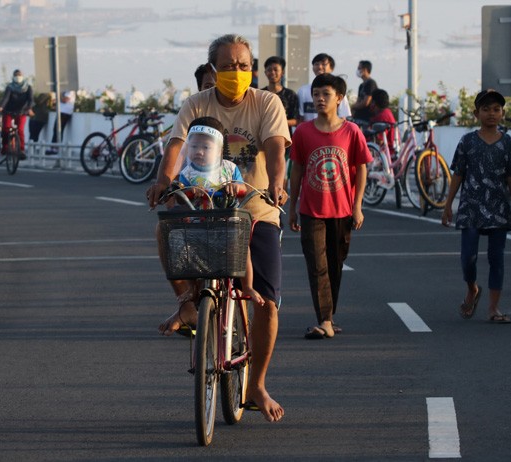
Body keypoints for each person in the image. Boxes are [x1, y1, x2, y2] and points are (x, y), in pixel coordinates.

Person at [146, 34, 289, 423]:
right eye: (227, 66)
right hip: (204, 208)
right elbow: (175, 147)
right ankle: (188, 304)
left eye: (243, 66)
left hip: (256, 209)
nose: (236, 72)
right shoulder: (196, 104)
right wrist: (163, 181)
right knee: (166, 232)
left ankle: (256, 384)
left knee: (268, 304)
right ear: (213, 70)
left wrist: (277, 183)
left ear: (253, 69)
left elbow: (276, 148)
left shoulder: (267, 103)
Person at [287, 73, 370, 339]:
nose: (320, 99)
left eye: (326, 94)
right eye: (316, 94)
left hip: (343, 210)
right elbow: (297, 170)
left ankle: (329, 316)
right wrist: (293, 207)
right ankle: (324, 320)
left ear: (339, 98)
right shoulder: (302, 132)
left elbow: (361, 169)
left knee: (335, 264)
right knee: (317, 266)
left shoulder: (351, 131)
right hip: (311, 211)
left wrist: (358, 206)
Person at [162, 117, 264, 306]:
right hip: (198, 225)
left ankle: (247, 285)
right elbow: (179, 193)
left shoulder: (229, 168)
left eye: (206, 147)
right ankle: (192, 288)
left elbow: (243, 189)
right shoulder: (187, 172)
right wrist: (183, 190)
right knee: (188, 254)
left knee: (243, 250)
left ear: (218, 149)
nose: (199, 151)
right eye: (194, 146)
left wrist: (235, 187)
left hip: (226, 224)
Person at [441, 89, 511, 324]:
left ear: (503, 113)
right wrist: (448, 205)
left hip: (498, 207)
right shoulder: (467, 141)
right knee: (468, 257)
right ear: (477, 113)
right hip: (471, 207)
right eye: (486, 109)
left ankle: (493, 308)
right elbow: (458, 173)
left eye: (496, 109)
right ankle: (472, 288)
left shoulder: (507, 143)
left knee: (497, 257)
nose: (491, 113)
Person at [297, 53, 351, 124]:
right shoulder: (302, 91)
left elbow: (343, 117)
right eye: (316, 64)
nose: (319, 67)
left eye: (323, 64)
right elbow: (301, 117)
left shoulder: (337, 89)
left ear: (331, 68)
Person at [0, 69, 34, 160]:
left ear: (23, 77)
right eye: (16, 75)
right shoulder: (10, 87)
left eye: (19, 75)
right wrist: (1, 107)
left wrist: (29, 108)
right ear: (13, 77)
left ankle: (21, 150)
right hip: (8, 111)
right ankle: (5, 147)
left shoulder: (28, 87)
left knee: (20, 130)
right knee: (6, 128)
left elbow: (30, 100)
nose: (18, 77)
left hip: (22, 112)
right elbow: (6, 98)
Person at [262, 56, 299, 136]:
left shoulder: (290, 94)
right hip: (264, 138)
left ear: (282, 72)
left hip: (285, 139)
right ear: (265, 72)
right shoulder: (261, 94)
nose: (272, 72)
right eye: (269, 70)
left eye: (276, 70)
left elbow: (296, 120)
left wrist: (277, 122)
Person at [368, 89, 397, 155]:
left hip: (387, 153)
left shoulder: (382, 117)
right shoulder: (387, 112)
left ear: (374, 103)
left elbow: (380, 140)